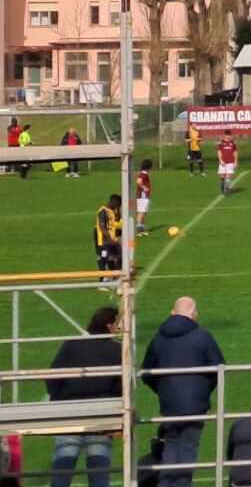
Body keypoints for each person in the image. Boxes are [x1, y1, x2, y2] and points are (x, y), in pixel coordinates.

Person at [141, 297, 226, 487]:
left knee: (171, 448)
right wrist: (203, 390)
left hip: (169, 405)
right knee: (188, 449)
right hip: (195, 404)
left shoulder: (159, 338)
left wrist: (163, 390)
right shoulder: (202, 336)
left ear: (173, 312)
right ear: (193, 313)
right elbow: (219, 368)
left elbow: (146, 372)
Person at [48, 307, 121, 487]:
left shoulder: (71, 344)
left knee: (61, 475)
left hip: (70, 414)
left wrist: (58, 401)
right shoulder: (117, 350)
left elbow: (52, 376)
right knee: (99, 477)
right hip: (101, 417)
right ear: (109, 325)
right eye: (117, 324)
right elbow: (122, 386)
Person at [93, 194, 123, 272]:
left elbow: (117, 220)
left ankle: (114, 274)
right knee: (103, 258)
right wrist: (109, 238)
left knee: (118, 255)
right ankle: (103, 277)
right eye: (118, 204)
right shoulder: (103, 211)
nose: (118, 206)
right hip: (103, 241)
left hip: (110, 240)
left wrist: (118, 210)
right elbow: (102, 226)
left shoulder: (111, 211)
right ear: (114, 202)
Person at [217, 131, 238, 196]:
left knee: (228, 176)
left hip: (230, 162)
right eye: (227, 135)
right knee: (222, 176)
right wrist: (220, 160)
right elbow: (219, 152)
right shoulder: (221, 143)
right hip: (223, 162)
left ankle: (226, 190)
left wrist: (236, 161)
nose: (228, 136)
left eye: (229, 135)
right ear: (224, 135)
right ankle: (223, 187)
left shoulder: (233, 143)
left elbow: (235, 152)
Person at [136, 159, 153, 237]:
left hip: (144, 196)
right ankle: (139, 230)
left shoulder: (144, 173)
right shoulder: (143, 174)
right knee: (141, 212)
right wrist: (144, 188)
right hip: (143, 196)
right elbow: (138, 181)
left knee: (143, 212)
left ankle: (142, 229)